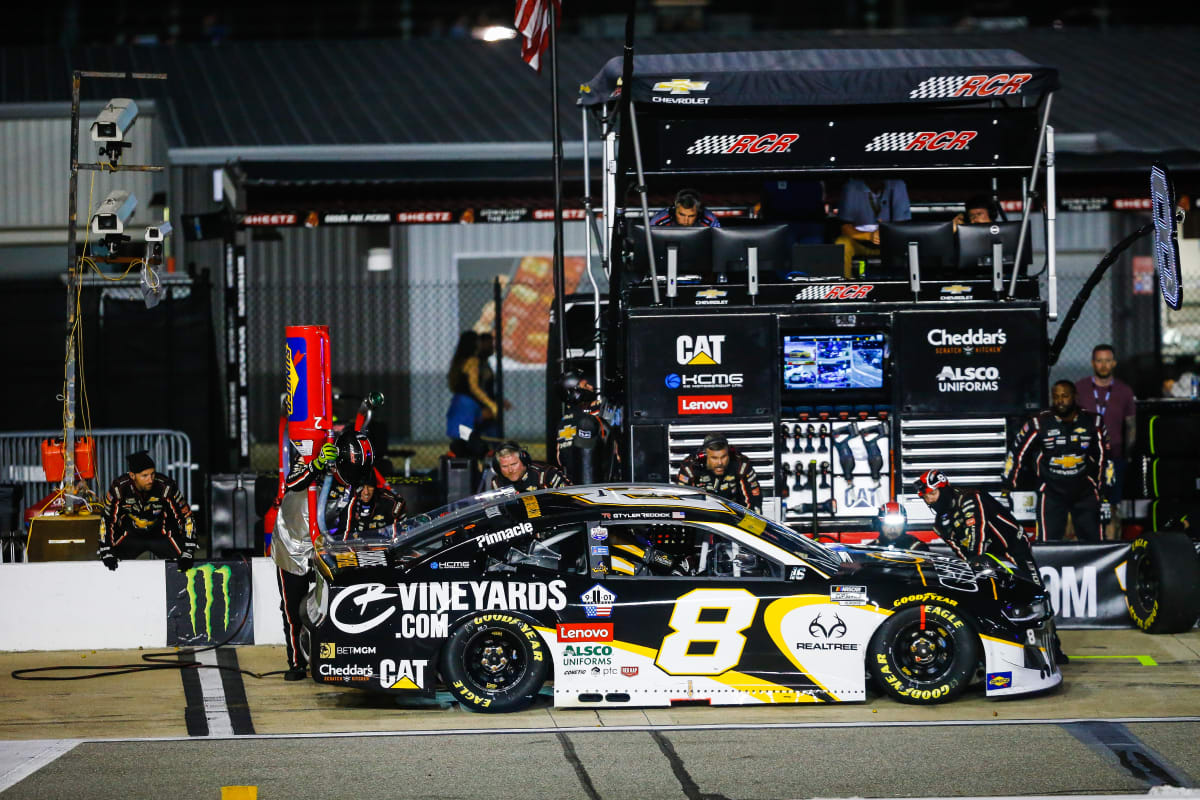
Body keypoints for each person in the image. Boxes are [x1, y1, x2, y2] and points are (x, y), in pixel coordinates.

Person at [913, 468, 1067, 664]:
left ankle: (1054, 647)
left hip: (1012, 548)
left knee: (1036, 593)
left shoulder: (970, 498)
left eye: (932, 494)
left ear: (944, 488)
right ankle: (1008, 650)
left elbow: (978, 532)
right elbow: (960, 550)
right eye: (926, 497)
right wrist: (972, 566)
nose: (929, 501)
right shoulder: (940, 524)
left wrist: (976, 560)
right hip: (987, 558)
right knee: (994, 600)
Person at [274, 432, 374, 680]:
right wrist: (316, 464)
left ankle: (335, 658)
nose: (356, 477)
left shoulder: (355, 482)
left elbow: (349, 522)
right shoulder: (313, 453)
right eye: (353, 469)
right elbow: (293, 482)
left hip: (326, 545)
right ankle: (296, 661)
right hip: (293, 543)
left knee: (336, 602)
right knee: (291, 606)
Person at [1003, 380, 1113, 543]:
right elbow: (1016, 454)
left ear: (1075, 396)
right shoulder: (1038, 423)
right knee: (1047, 543)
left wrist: (1105, 495)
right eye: (1056, 397)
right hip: (1051, 490)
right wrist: (1007, 488)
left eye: (1065, 396)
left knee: (1095, 542)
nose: (1060, 401)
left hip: (1084, 490)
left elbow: (1105, 459)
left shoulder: (1093, 422)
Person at [1074, 344, 1136, 539]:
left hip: (1113, 458)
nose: (1103, 365)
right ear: (1093, 363)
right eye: (1099, 360)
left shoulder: (1124, 391)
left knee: (1113, 507)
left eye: (1107, 360)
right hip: (1085, 458)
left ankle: (1112, 551)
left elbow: (1131, 425)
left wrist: (1128, 454)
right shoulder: (1080, 388)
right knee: (1079, 505)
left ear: (1114, 363)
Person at [98, 451, 195, 571]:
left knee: (187, 560)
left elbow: (186, 516)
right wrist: (106, 550)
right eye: (145, 476)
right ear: (133, 475)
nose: (150, 480)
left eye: (152, 474)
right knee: (106, 559)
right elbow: (107, 519)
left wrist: (189, 550)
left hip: (161, 535)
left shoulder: (165, 486)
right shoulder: (119, 488)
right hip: (130, 535)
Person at [832, 178, 911, 279]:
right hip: (860, 240)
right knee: (842, 243)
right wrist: (869, 236)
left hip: (890, 242)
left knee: (910, 244)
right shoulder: (851, 186)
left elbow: (903, 224)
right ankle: (844, 284)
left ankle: (904, 283)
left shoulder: (897, 185)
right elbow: (845, 227)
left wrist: (887, 232)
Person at [555, 369, 619, 485]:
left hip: (577, 483)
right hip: (597, 481)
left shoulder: (563, 421)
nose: (591, 387)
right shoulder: (590, 417)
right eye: (586, 385)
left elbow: (560, 459)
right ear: (575, 391)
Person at [675, 433, 763, 513]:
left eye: (723, 457)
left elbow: (754, 500)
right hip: (700, 518)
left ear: (729, 454)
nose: (720, 463)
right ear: (705, 456)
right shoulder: (690, 467)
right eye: (714, 458)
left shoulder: (740, 464)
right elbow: (680, 503)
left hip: (733, 517)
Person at [445, 330, 496, 459]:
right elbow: (474, 388)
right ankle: (483, 454)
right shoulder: (473, 361)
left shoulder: (458, 361)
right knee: (468, 437)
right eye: (478, 341)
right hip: (466, 406)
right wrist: (491, 404)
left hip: (458, 404)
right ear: (474, 343)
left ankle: (467, 460)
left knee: (462, 437)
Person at [482, 441, 569, 494]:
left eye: (513, 464)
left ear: (524, 460)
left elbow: (571, 497)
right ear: (498, 467)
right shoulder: (497, 483)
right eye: (505, 466)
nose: (510, 470)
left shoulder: (546, 473)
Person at [333, 480, 407, 541]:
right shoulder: (350, 501)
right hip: (356, 544)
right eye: (363, 487)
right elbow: (343, 535)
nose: (366, 492)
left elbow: (400, 533)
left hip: (383, 542)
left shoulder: (388, 501)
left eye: (369, 487)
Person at [650, 188, 721, 228]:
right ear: (674, 210)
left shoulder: (710, 220)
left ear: (699, 213)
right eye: (681, 215)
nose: (686, 221)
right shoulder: (659, 221)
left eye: (691, 216)